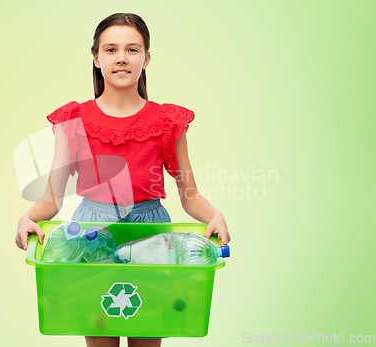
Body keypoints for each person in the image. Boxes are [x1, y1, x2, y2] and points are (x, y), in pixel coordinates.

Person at [15, 12, 231, 347]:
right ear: (96, 58)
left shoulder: (166, 122)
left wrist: (214, 216)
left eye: (132, 50)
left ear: (146, 59)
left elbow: (190, 195)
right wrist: (28, 218)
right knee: (100, 326)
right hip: (90, 238)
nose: (121, 58)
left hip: (151, 238)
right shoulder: (75, 120)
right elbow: (52, 198)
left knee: (147, 327)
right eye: (111, 49)